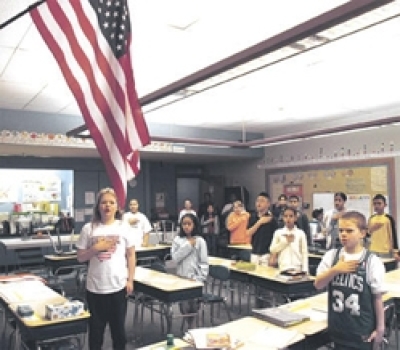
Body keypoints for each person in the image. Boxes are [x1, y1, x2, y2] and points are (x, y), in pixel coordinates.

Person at [314, 211, 385, 350]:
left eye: (349, 230)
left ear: (362, 233)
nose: (343, 234)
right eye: (341, 230)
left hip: (361, 331)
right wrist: (336, 269)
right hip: (338, 329)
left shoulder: (371, 261)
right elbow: (318, 284)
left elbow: (377, 298)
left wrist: (380, 328)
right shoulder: (332, 256)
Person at [76, 188, 136, 350]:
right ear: (98, 206)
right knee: (95, 334)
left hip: (117, 287)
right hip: (95, 289)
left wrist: (130, 279)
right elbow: (80, 257)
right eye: (104, 202)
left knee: (119, 334)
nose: (107, 206)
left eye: (111, 202)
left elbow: (131, 255)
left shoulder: (123, 227)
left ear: (117, 206)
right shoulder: (88, 229)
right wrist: (96, 249)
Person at [171, 213, 208, 328]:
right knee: (184, 307)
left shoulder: (200, 241)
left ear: (194, 225)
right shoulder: (177, 240)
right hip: (182, 279)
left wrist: (199, 279)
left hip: (195, 280)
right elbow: (175, 258)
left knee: (194, 307)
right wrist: (188, 245)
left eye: (189, 224)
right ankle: (188, 327)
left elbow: (204, 262)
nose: (186, 226)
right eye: (184, 224)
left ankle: (192, 328)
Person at [269, 207, 308, 273]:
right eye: (286, 216)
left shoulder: (300, 233)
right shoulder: (278, 232)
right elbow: (272, 249)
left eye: (291, 216)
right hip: (283, 267)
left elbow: (304, 252)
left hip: (297, 267)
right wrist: (285, 241)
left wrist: (305, 270)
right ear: (283, 218)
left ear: (295, 218)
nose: (288, 218)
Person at [246, 192, 278, 265]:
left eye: (262, 201)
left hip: (267, 254)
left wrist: (273, 256)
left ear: (268, 204)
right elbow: (248, 233)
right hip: (254, 252)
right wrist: (259, 222)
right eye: (257, 201)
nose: (259, 203)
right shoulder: (252, 217)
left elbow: (276, 239)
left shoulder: (272, 219)